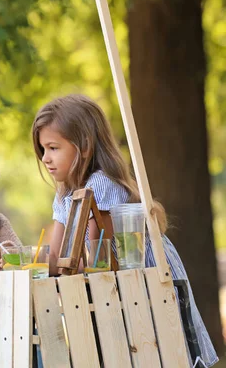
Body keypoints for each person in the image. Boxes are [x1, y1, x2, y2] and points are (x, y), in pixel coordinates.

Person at [32, 94, 218, 366]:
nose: (46, 159)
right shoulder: (64, 195)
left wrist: (65, 266)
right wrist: (19, 258)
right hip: (118, 288)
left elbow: (100, 259)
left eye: (53, 147)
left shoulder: (101, 184)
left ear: (84, 146)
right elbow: (56, 259)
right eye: (43, 150)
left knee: (160, 348)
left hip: (144, 279)